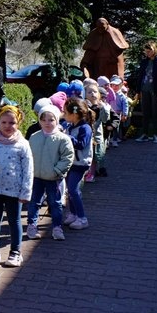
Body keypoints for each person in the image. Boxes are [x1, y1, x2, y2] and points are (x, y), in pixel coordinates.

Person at [0, 104, 33, 268]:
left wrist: (26, 191)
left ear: (18, 123)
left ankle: (15, 252)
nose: (8, 126)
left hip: (14, 191)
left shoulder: (22, 144)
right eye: (4, 122)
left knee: (14, 220)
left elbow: (28, 169)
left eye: (12, 122)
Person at [26, 104, 74, 241]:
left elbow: (68, 157)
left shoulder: (63, 138)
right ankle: (32, 225)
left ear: (57, 120)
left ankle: (57, 227)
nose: (47, 123)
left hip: (54, 178)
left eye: (51, 120)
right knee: (34, 202)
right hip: (36, 176)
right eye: (43, 120)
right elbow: (28, 155)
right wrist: (29, 171)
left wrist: (57, 171)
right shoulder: (34, 137)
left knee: (55, 203)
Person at [62, 98, 94, 231]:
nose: (63, 115)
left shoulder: (85, 128)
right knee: (70, 190)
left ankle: (82, 218)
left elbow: (81, 144)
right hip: (71, 162)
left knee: (73, 190)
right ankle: (73, 214)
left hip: (80, 163)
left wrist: (67, 138)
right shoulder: (70, 126)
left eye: (65, 112)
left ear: (74, 114)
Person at [134, 41, 157, 143]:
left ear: (155, 50)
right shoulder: (144, 61)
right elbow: (140, 76)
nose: (147, 53)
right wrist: (138, 91)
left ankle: (156, 135)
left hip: (155, 91)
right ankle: (144, 134)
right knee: (145, 113)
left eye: (149, 51)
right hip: (144, 89)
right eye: (146, 51)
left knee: (155, 113)